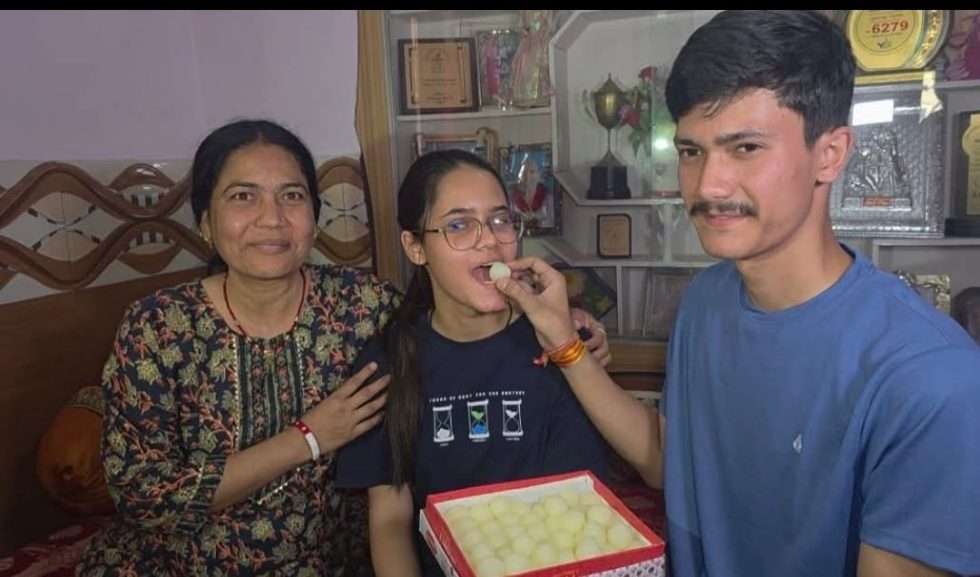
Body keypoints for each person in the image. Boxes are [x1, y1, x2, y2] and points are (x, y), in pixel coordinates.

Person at [494, 10, 980, 577]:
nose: (708, 185)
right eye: (691, 151)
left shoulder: (930, 379)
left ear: (830, 154)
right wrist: (562, 340)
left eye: (745, 147)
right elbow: (667, 461)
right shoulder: (707, 301)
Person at [77, 119, 399, 575]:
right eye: (243, 196)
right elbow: (144, 496)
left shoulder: (364, 305)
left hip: (329, 562)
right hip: (179, 565)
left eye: (292, 195)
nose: (272, 218)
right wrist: (307, 437)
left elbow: (450, 352)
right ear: (206, 222)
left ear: (314, 217)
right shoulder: (158, 326)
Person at [334, 149, 611, 577]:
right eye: (459, 225)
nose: (489, 240)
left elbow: (579, 504)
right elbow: (389, 521)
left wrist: (570, 349)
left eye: (500, 219)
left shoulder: (557, 344)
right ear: (415, 247)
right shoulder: (389, 361)